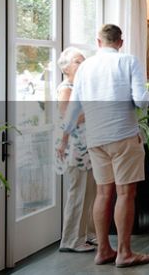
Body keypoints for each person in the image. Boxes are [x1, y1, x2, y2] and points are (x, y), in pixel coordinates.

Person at [57, 24, 149, 267]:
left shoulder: (86, 66)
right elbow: (141, 101)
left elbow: (74, 107)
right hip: (123, 135)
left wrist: (64, 137)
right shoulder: (129, 61)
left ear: (98, 42)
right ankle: (124, 253)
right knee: (124, 194)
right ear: (120, 42)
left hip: (96, 139)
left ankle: (102, 250)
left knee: (102, 193)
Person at [55, 47, 97, 253]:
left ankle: (87, 235)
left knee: (89, 193)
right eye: (78, 61)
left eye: (83, 60)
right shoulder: (66, 88)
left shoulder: (81, 86)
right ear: (66, 67)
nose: (83, 64)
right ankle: (71, 240)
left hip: (86, 148)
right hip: (74, 149)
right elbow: (67, 118)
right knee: (78, 193)